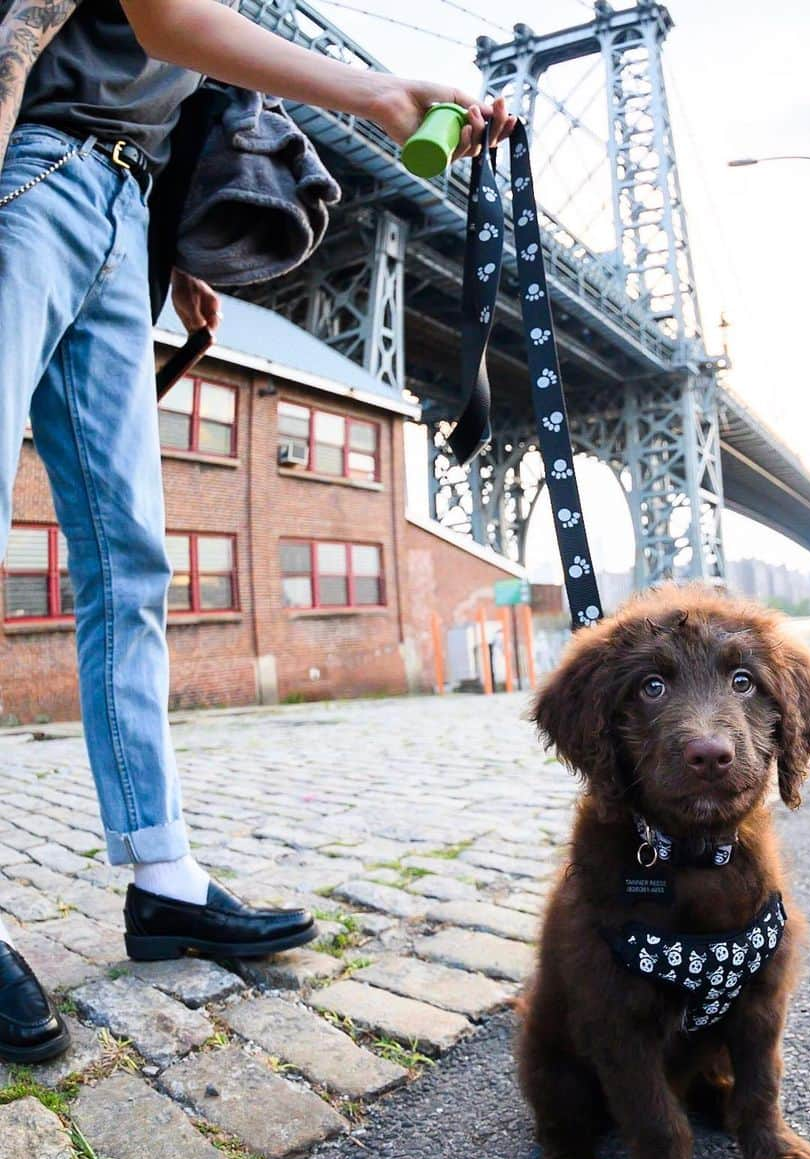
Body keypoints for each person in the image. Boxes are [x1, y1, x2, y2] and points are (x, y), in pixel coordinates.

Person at [0, 0, 515, 1063]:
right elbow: (162, 13)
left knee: (130, 562)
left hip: (116, 212)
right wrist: (377, 93)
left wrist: (171, 243)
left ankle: (165, 879)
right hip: (33, 172)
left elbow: (160, 59)